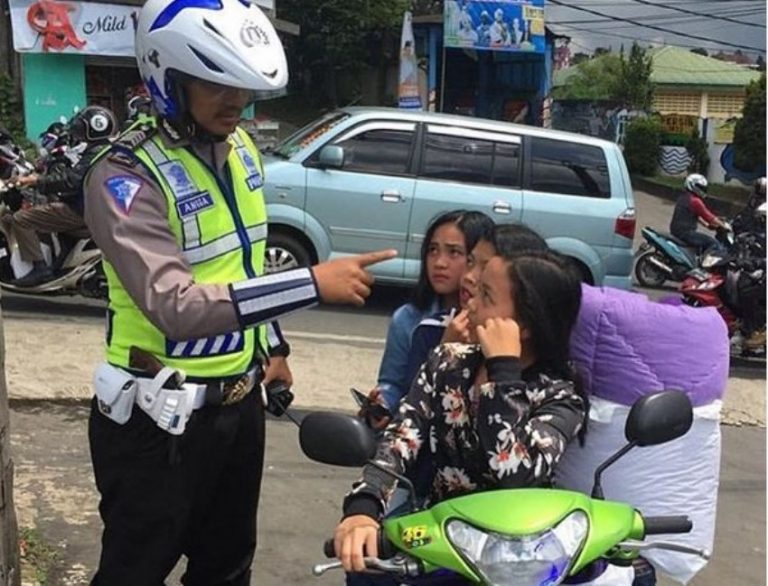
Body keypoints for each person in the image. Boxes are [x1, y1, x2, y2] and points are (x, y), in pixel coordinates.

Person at [82, 0, 395, 584]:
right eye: (217, 85)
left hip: (238, 408)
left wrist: (272, 349)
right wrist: (307, 284)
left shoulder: (241, 150)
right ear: (167, 79)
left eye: (245, 88)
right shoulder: (124, 177)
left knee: (227, 567)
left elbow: (243, 262)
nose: (237, 102)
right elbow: (173, 304)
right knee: (135, 568)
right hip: (155, 422)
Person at [335, 249, 586, 576]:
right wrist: (364, 506)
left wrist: (503, 373)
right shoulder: (447, 362)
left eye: (486, 295)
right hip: (440, 542)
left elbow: (517, 474)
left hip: (517, 560)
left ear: (523, 324)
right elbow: (400, 439)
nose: (471, 303)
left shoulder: (561, 398)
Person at [363, 210, 493, 423]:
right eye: (433, 250)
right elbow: (393, 383)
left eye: (454, 252)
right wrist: (382, 404)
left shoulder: (492, 321)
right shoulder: (409, 318)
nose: (439, 262)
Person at [3, 106, 118, 287]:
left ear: (93, 129)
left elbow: (70, 181)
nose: (77, 130)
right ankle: (54, 261)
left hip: (78, 210)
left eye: (82, 126)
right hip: (93, 208)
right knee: (39, 215)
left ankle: (40, 268)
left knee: (21, 219)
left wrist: (36, 180)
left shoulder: (95, 154)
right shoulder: (104, 151)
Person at [669, 173, 729, 253]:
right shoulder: (695, 201)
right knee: (714, 243)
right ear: (692, 185)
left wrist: (707, 225)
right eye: (700, 187)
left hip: (676, 231)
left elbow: (695, 215)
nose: (702, 190)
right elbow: (709, 216)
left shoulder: (683, 197)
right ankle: (705, 265)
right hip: (686, 233)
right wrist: (724, 226)